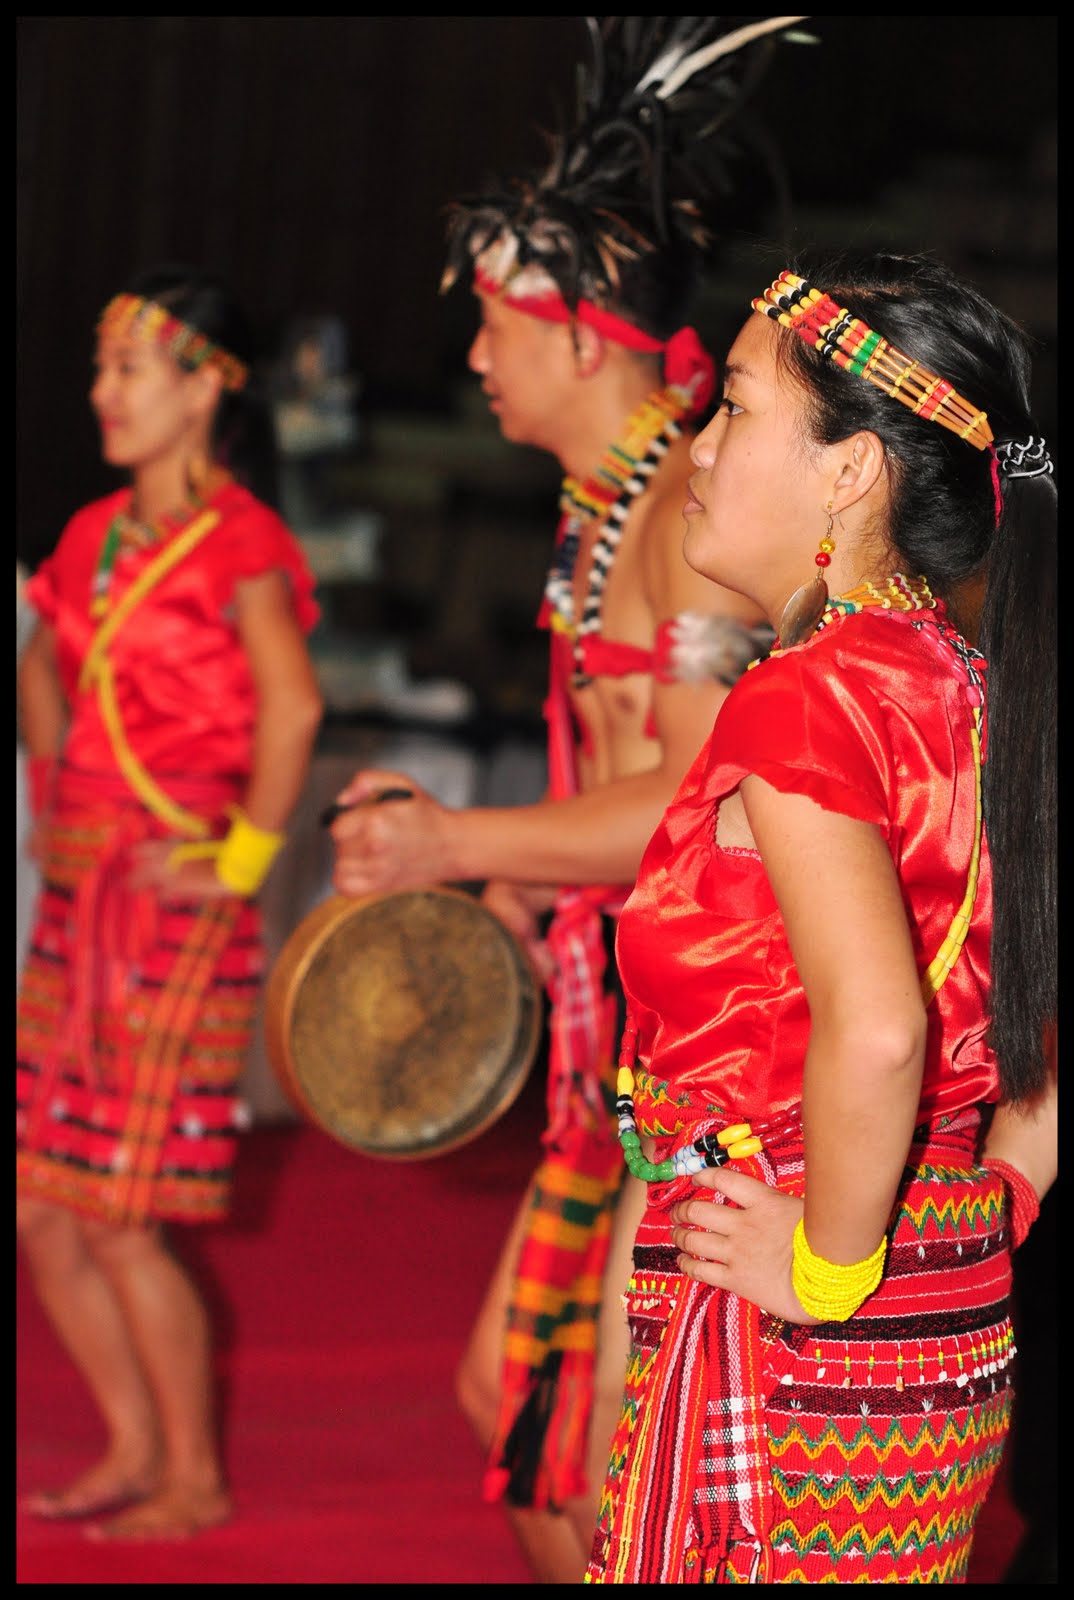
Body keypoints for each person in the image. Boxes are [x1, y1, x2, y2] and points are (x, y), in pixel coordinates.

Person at [328, 16, 807, 1584]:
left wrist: (458, 840)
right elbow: (609, 771)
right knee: (528, 1416)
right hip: (619, 1045)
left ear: (584, 336)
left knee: (588, 1444)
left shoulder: (677, 513)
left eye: (494, 327)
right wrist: (524, 869)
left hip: (700, 1059)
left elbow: (688, 798)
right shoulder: (600, 515)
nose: (471, 359)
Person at [581, 250, 1057, 1583]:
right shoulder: (976, 685)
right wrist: (996, 1190)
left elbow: (875, 1031)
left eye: (733, 406)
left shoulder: (808, 696)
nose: (697, 445)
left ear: (851, 472)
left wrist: (830, 1268)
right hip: (942, 1313)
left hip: (801, 1328)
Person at [16, 266, 323, 1539]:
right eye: (100, 367)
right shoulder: (91, 534)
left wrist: (236, 862)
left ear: (208, 388)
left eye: (130, 368)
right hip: (83, 895)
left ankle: (196, 1475)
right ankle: (137, 1445)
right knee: (43, 1206)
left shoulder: (244, 540)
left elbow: (294, 710)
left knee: (123, 1215)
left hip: (177, 907)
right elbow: (39, 666)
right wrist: (57, 797)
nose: (103, 392)